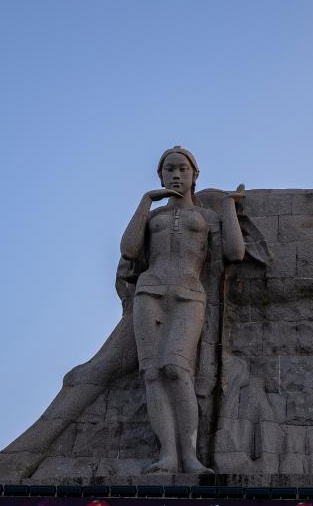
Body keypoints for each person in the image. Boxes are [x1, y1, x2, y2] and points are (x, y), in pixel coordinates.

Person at [120, 145, 246, 474]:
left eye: (182, 169)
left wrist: (229, 207)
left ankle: (190, 456)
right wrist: (146, 202)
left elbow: (234, 252)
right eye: (169, 170)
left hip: (189, 293)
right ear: (160, 175)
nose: (176, 175)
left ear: (195, 175)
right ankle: (168, 456)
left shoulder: (207, 217)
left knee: (177, 369)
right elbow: (129, 250)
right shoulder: (154, 218)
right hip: (150, 292)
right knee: (153, 372)